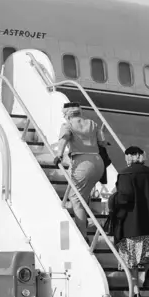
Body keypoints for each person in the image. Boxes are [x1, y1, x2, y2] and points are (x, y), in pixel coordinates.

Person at [112, 146, 149, 297]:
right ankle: (148, 270)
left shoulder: (125, 174)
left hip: (131, 225)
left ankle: (135, 291)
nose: (126, 160)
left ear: (132, 156)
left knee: (131, 261)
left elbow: (124, 198)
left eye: (127, 157)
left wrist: (114, 200)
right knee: (145, 255)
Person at [51, 102, 106, 240]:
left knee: (75, 199)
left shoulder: (68, 125)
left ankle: (83, 235)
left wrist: (59, 156)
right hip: (98, 162)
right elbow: (103, 142)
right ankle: (85, 221)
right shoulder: (93, 124)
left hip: (82, 163)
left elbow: (63, 140)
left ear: (67, 114)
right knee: (84, 194)